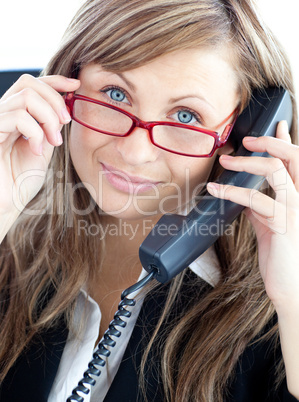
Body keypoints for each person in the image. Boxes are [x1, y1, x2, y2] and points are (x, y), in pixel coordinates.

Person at [0, 0, 298, 401]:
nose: (135, 152)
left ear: (246, 134)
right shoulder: (12, 246)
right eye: (115, 93)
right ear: (65, 86)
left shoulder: (279, 308)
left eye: (186, 117)